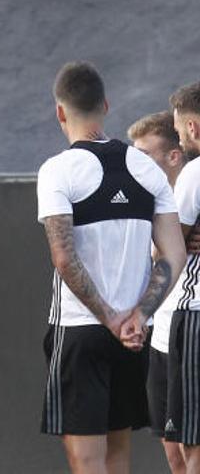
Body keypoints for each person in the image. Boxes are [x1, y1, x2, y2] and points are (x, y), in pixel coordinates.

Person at [37, 61, 185, 474]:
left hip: (81, 332)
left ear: (60, 112)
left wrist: (110, 318)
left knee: (86, 462)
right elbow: (173, 254)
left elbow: (63, 258)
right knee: (118, 456)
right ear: (105, 105)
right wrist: (137, 316)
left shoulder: (57, 170)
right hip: (134, 335)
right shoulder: (146, 168)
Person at [129, 111, 187, 474]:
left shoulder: (189, 190)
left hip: (187, 333)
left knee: (190, 445)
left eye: (145, 155)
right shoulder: (146, 203)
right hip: (160, 338)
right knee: (172, 451)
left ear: (173, 156)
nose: (137, 164)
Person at [165, 81, 200, 473]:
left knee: (194, 445)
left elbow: (167, 250)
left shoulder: (194, 174)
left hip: (195, 315)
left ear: (192, 128)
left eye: (178, 130)